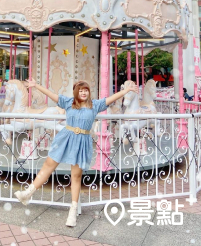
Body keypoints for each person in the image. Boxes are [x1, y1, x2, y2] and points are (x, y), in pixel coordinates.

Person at [14, 79, 138, 227]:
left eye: (85, 90)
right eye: (80, 90)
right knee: (48, 165)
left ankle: (72, 211)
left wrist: (126, 91)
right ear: (76, 92)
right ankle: (28, 193)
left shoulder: (95, 105)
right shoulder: (69, 102)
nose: (83, 92)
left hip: (82, 142)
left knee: (76, 175)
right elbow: (52, 95)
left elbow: (111, 98)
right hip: (66, 137)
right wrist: (36, 86)